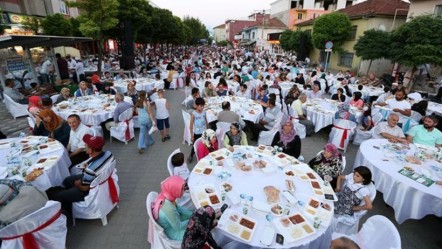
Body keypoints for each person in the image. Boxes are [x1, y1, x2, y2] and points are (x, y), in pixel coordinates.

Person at [47, 135, 114, 212]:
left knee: (58, 196)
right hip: (98, 179)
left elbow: (84, 188)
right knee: (67, 180)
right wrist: (89, 166)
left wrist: (77, 184)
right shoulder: (109, 154)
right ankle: (68, 196)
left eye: (86, 145)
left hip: (89, 191)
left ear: (90, 150)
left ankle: (68, 210)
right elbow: (97, 165)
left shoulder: (90, 170)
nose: (84, 146)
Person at [151, 176, 192, 240]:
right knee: (198, 232)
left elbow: (177, 208)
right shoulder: (168, 208)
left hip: (174, 221)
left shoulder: (166, 195)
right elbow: (178, 227)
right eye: (181, 189)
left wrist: (192, 214)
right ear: (174, 189)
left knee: (193, 216)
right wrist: (193, 219)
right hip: (173, 232)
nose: (184, 192)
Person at [188, 97, 208, 163]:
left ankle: (204, 154)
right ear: (196, 105)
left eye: (203, 106)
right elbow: (190, 125)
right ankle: (191, 155)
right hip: (197, 133)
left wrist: (207, 129)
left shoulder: (204, 112)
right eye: (200, 106)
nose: (202, 107)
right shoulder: (194, 114)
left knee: (205, 143)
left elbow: (206, 121)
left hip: (204, 132)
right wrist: (191, 135)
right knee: (195, 145)